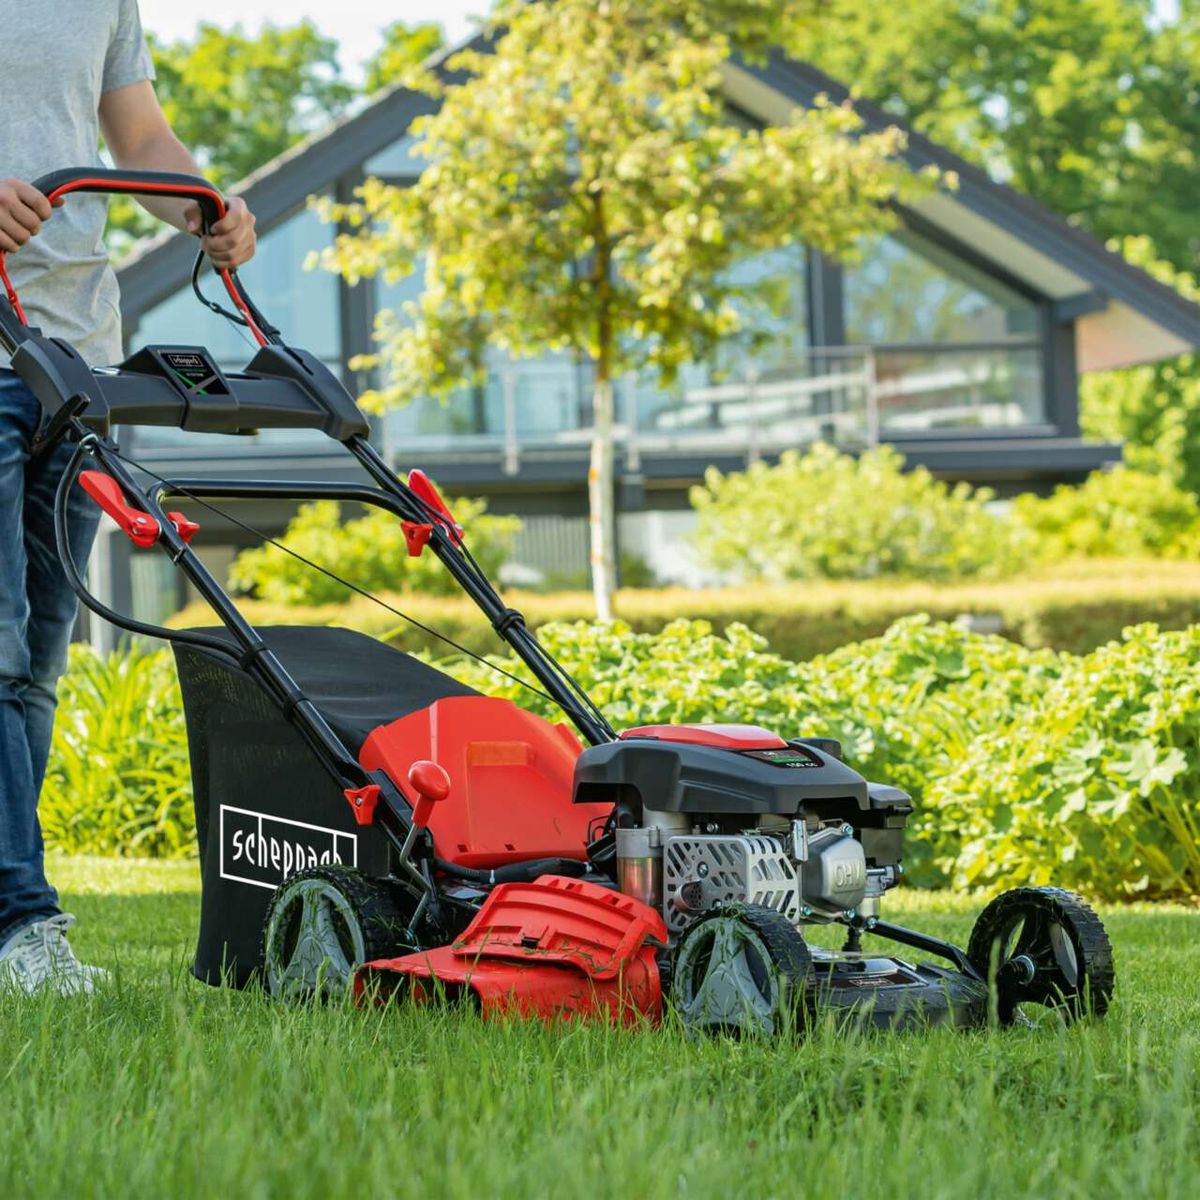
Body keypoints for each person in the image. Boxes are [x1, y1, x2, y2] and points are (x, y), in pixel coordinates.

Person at [0, 2, 257, 995]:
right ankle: (24, 923)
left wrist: (203, 204)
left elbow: (139, 135)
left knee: (38, 662)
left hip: (75, 353)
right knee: (1, 645)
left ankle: (13, 919)